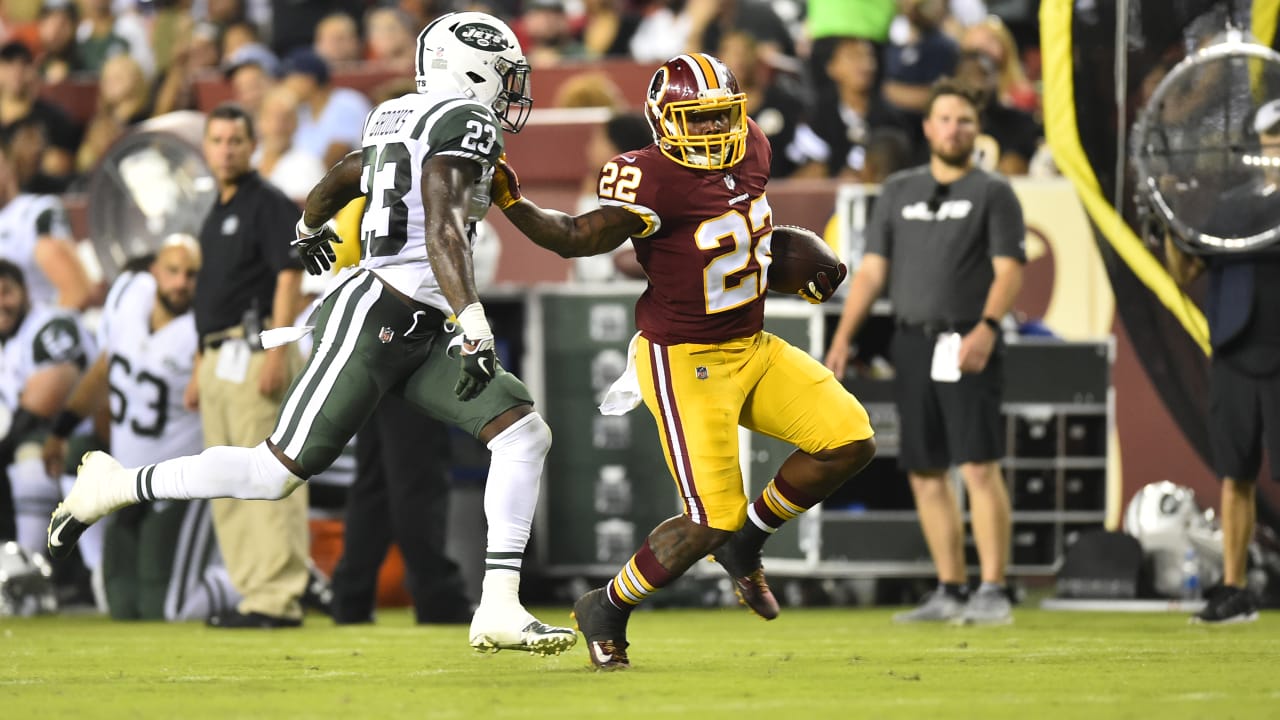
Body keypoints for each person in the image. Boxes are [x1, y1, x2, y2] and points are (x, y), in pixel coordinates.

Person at [50, 11, 577, 655]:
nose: (511, 90)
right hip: (379, 313)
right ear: (471, 70)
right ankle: (114, 485)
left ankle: (498, 605)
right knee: (274, 473)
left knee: (523, 432)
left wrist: (309, 227)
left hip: (417, 320)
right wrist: (473, 318)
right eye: (506, 74)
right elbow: (440, 223)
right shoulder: (465, 119)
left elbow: (349, 174)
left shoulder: (400, 114)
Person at [494, 52, 876, 670]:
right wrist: (514, 204)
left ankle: (749, 541)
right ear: (663, 119)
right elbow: (577, 237)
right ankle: (608, 606)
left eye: (721, 116)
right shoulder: (646, 176)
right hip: (685, 360)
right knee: (710, 519)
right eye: (696, 120)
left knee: (849, 439)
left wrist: (796, 264)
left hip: (751, 344)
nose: (711, 130)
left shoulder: (752, 145)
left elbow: (743, 241)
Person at [823, 79, 1025, 625]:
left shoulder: (993, 191)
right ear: (927, 127)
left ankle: (995, 588)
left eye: (964, 119)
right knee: (925, 469)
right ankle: (951, 587)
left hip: (967, 337)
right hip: (912, 341)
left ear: (976, 129)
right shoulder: (899, 190)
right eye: (944, 118)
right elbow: (871, 272)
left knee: (979, 466)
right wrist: (842, 338)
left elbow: (1010, 270)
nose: (953, 128)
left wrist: (987, 327)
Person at [42, 237, 240, 621]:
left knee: (166, 608)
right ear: (154, 271)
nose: (181, 282)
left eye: (192, 275)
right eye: (173, 271)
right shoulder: (130, 299)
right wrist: (61, 429)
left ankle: (247, 585)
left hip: (177, 483)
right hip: (125, 480)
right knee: (122, 605)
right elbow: (103, 371)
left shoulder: (206, 325)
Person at [1162, 100, 1280, 624]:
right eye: (1274, 137)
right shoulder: (1232, 206)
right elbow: (1185, 269)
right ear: (1260, 144)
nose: (1278, 146)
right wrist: (1170, 219)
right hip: (1235, 350)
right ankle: (1234, 590)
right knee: (1236, 474)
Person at [331, 394, 473, 625]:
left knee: (374, 482)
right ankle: (439, 599)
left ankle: (351, 600)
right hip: (412, 366)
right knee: (417, 479)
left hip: (371, 368)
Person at [0, 259, 92, 560]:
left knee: (29, 454)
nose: (1, 303)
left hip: (86, 439)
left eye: (6, 292)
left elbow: (46, 401)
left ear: (26, 292)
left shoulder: (51, 325)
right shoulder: (9, 340)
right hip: (48, 439)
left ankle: (30, 562)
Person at [0, 140, 94, 310]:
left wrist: (35, 334)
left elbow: (76, 291)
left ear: (8, 165)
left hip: (41, 327)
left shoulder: (35, 213)